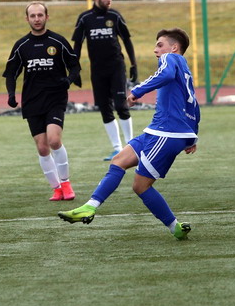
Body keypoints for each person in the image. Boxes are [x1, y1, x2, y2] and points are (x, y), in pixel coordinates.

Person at [58, 28, 200, 241]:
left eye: (159, 45)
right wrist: (192, 135)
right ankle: (90, 206)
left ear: (174, 48)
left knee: (140, 186)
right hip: (159, 131)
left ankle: (175, 227)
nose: (155, 50)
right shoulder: (185, 68)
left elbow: (166, 74)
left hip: (165, 132)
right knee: (119, 160)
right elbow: (194, 104)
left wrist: (137, 91)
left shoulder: (170, 59)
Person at [3, 1, 81, 202]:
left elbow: (75, 66)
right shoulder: (21, 45)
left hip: (55, 98)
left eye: (40, 15)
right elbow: (11, 73)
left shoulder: (58, 41)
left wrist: (68, 81)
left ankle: (66, 183)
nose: (37, 19)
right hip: (32, 100)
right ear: (27, 19)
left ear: (47, 17)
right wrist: (11, 94)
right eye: (33, 16)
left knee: (54, 140)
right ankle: (56, 189)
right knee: (42, 148)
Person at [72, 0, 137, 161]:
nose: (110, 0)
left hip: (116, 67)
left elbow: (127, 40)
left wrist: (133, 65)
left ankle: (131, 146)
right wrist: (74, 69)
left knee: (121, 105)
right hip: (97, 70)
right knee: (105, 108)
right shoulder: (85, 18)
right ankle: (117, 149)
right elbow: (77, 45)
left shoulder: (115, 16)